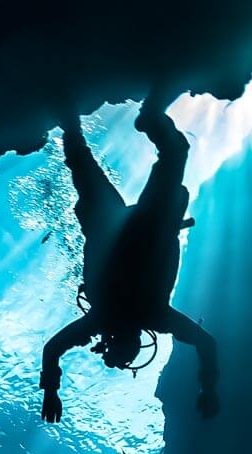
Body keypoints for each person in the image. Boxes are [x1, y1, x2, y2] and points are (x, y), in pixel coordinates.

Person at [41, 90, 220, 423]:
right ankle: (144, 115)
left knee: (169, 153)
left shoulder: (124, 318)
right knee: (93, 159)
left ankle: (135, 115)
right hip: (134, 226)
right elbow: (206, 344)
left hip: (122, 227)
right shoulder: (148, 317)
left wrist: (52, 390)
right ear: (139, 341)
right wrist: (207, 389)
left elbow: (53, 350)